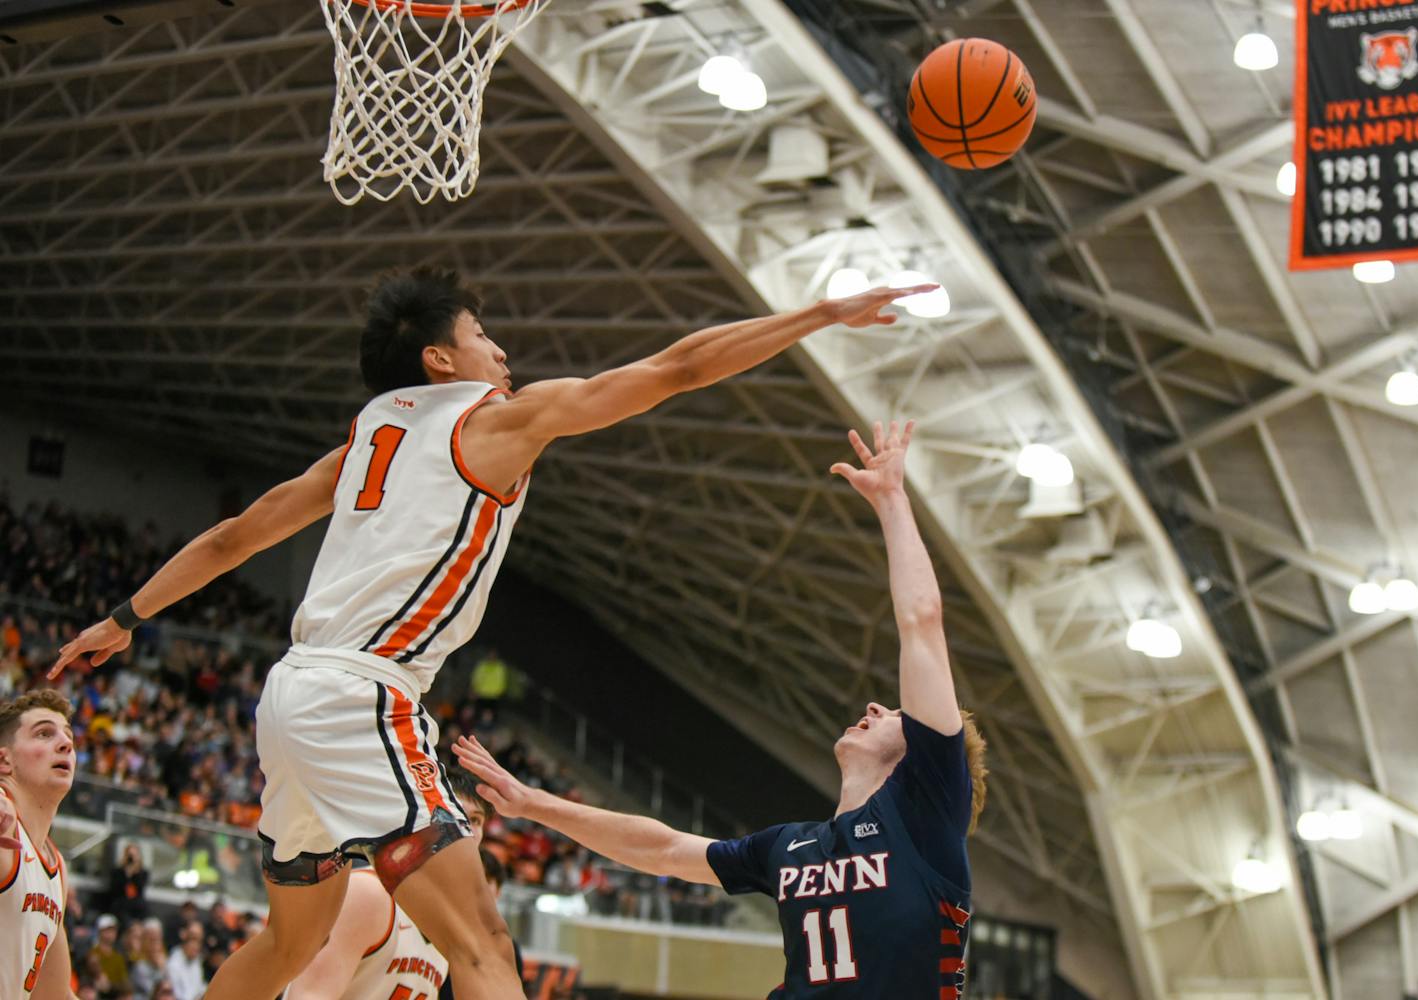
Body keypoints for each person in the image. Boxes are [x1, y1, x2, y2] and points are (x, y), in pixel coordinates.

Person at [49, 267, 922, 1000]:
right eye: (481, 334)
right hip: (362, 696)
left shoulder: (364, 442)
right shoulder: (494, 421)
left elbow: (234, 536)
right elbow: (677, 368)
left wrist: (125, 620)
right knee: (483, 945)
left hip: (288, 695)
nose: (501, 350)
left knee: (289, 942)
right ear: (439, 359)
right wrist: (818, 314)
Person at [457, 421, 988, 998]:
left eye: (896, 714)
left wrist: (892, 501)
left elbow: (921, 624)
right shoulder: (791, 847)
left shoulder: (926, 815)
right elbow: (661, 848)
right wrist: (533, 803)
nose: (876, 705)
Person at [285, 773, 518, 999]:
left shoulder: (449, 926)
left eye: (475, 820)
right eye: (455, 813)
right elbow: (309, 994)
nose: (466, 829)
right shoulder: (369, 893)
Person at [0, 689, 77, 999]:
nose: (65, 743)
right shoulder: (5, 827)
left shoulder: (56, 868)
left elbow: (55, 994)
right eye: (44, 733)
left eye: (69, 736)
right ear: (3, 760)